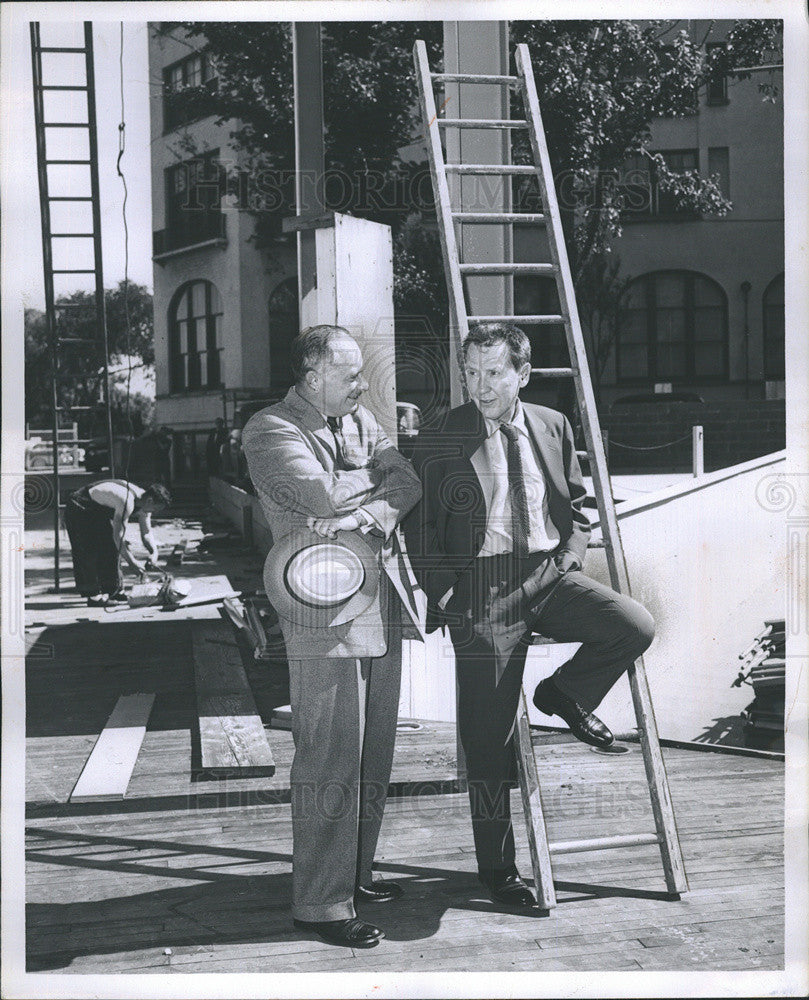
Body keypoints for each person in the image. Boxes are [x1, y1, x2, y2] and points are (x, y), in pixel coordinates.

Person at [404, 322, 655, 910]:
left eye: (494, 373)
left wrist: (570, 557)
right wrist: (444, 594)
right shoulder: (442, 434)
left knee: (633, 625)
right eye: (471, 372)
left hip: (548, 572)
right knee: (488, 737)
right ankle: (499, 869)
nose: (481, 385)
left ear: (522, 374)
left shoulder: (552, 424)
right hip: (482, 587)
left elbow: (576, 505)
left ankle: (562, 694)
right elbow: (419, 529)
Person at [242, 324, 422, 949]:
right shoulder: (270, 429)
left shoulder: (359, 420)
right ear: (312, 375)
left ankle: (357, 873)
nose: (363, 383)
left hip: (383, 603)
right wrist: (365, 479)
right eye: (350, 375)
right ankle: (320, 902)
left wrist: (365, 507)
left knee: (373, 753)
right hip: (321, 609)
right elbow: (316, 491)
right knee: (327, 756)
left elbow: (408, 481)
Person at [63, 480, 171, 606]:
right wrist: (132, 562)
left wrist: (154, 553)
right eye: (156, 508)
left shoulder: (144, 503)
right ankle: (94, 596)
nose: (154, 512)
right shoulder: (127, 501)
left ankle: (114, 591)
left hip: (97, 510)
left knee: (112, 548)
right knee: (88, 549)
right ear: (150, 501)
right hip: (80, 506)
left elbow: (146, 532)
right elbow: (118, 535)